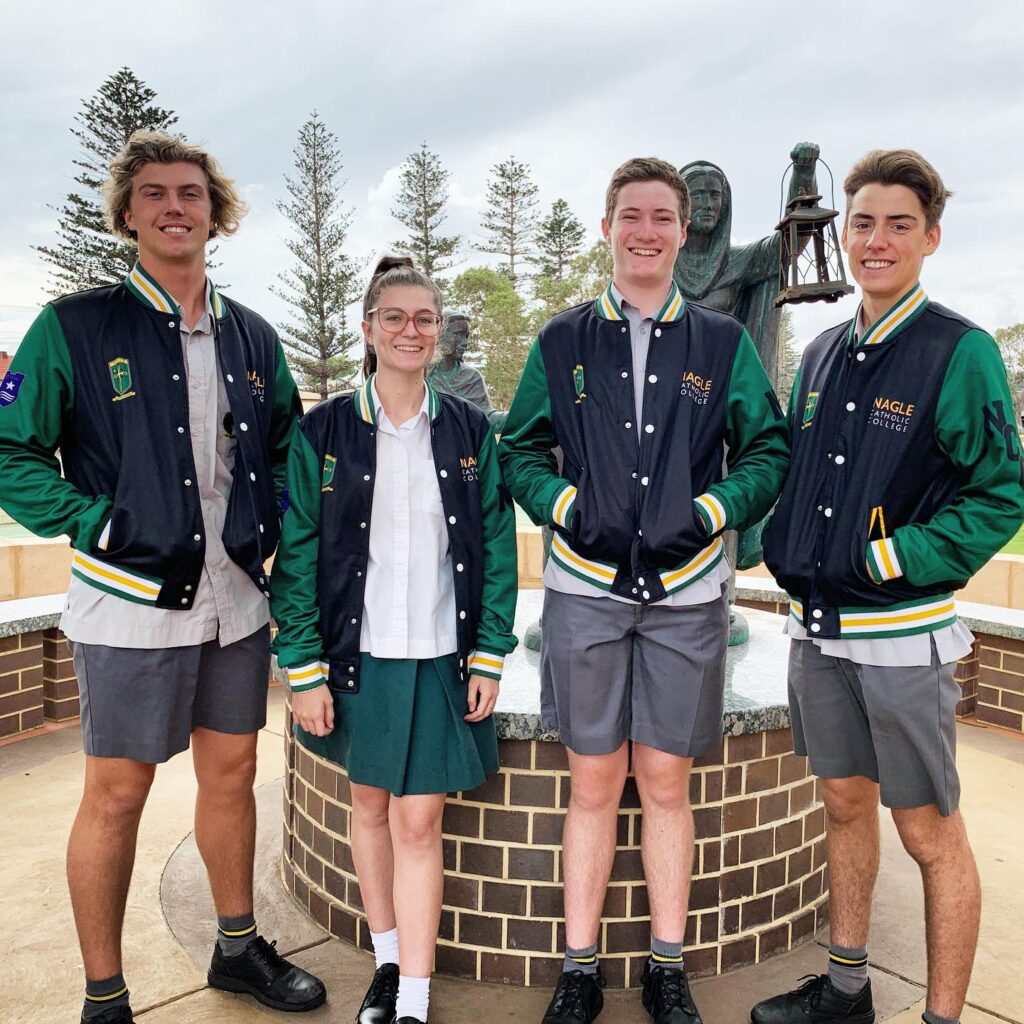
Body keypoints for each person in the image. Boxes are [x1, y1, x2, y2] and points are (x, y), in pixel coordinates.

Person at [0, 132, 325, 1022]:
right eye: (153, 194)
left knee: (230, 775)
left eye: (190, 193)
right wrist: (93, 521)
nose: (174, 206)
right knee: (116, 793)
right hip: (129, 606)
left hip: (239, 601)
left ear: (215, 214)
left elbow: (295, 454)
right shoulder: (72, 325)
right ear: (128, 214)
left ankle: (236, 949)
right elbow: (10, 449)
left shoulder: (255, 335)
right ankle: (104, 994)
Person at [499, 158, 788, 1024]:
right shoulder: (561, 340)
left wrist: (711, 510)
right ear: (607, 227)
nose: (648, 230)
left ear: (680, 230)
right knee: (592, 783)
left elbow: (768, 450)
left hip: (687, 596)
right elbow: (518, 449)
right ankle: (579, 969)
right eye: (632, 215)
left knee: (665, 782)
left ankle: (668, 967)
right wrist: (562, 505)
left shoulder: (720, 343)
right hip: (584, 590)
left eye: (663, 216)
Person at [755, 149, 1024, 1024]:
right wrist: (778, 533)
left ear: (930, 237)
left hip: (902, 637)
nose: (876, 241)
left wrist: (893, 557)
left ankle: (942, 1017)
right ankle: (844, 990)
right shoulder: (826, 351)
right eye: (862, 223)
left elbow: (1001, 493)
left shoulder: (961, 351)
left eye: (898, 225)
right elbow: (801, 473)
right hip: (815, 632)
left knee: (928, 832)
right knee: (842, 803)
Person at [270, 255, 518, 1024]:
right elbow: (300, 554)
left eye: (425, 319)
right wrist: (301, 665)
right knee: (370, 806)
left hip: (441, 655)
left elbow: (498, 547)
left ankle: (413, 995)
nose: (411, 331)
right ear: (369, 329)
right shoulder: (325, 431)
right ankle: (385, 960)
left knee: (419, 820)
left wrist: (490, 651)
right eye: (395, 318)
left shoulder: (473, 431)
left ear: (440, 334)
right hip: (358, 655)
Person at [425, 311, 504, 429]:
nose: (465, 342)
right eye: (458, 334)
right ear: (440, 333)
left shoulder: (471, 376)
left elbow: (485, 416)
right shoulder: (422, 374)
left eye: (466, 336)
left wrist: (516, 416)